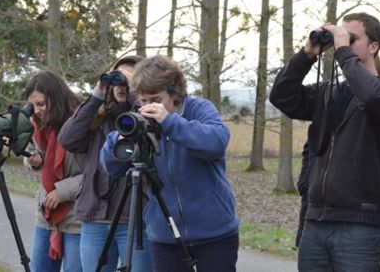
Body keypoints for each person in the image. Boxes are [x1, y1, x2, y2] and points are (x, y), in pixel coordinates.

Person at [99, 55, 240, 272]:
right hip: (166, 237)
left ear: (174, 94)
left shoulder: (199, 109)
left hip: (214, 235)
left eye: (155, 100)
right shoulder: (140, 120)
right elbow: (112, 167)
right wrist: (120, 141)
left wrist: (169, 122)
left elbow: (216, 142)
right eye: (142, 101)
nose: (148, 107)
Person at [269, 12, 380, 271]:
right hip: (317, 219)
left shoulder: (379, 92)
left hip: (362, 223)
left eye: (351, 38)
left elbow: (373, 98)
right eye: (339, 37)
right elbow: (282, 97)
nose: (341, 43)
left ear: (374, 46)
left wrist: (343, 52)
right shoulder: (327, 93)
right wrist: (307, 54)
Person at [58, 55, 154, 272]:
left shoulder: (147, 114)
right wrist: (96, 96)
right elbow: (68, 140)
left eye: (128, 81)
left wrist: (134, 94)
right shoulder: (98, 116)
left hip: (136, 218)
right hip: (95, 216)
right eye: (117, 79)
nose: (121, 86)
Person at [24, 70, 85, 272]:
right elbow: (38, 156)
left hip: (79, 218)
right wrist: (33, 160)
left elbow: (98, 171)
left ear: (56, 97)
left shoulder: (84, 121)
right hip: (47, 215)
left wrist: (63, 191)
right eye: (33, 106)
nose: (37, 110)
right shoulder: (39, 124)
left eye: (41, 104)